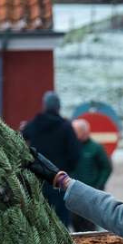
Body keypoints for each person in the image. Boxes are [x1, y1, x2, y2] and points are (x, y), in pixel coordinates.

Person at [22, 91, 81, 226]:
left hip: (38, 181)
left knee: (40, 222)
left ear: (44, 106)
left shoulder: (34, 125)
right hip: (60, 181)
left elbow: (22, 141)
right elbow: (76, 155)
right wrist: (67, 171)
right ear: (59, 107)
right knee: (62, 223)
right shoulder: (66, 127)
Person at [70, 118, 113, 232]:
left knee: (90, 228)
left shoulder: (96, 148)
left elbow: (106, 168)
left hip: (91, 194)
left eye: (76, 131)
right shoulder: (71, 147)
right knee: (75, 227)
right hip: (73, 192)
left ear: (85, 132)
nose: (73, 134)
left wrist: (99, 185)